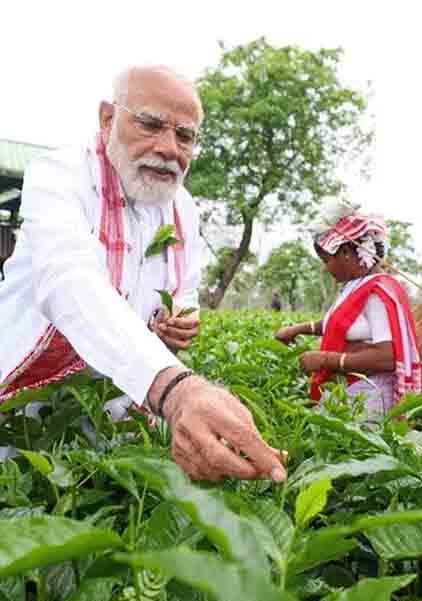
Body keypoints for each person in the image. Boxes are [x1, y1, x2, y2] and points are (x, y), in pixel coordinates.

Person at [0, 66, 285, 482]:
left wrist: (178, 322)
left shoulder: (181, 207)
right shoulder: (61, 175)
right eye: (150, 124)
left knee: (96, 495)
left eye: (184, 135)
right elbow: (68, 278)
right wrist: (175, 388)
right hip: (27, 398)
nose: (169, 148)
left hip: (117, 403)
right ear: (107, 119)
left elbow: (183, 289)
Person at [275, 201, 422, 419]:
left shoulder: (376, 292)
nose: (326, 268)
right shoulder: (356, 286)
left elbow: (387, 358)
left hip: (371, 398)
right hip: (351, 392)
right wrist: (297, 329)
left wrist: (326, 359)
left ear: (345, 252)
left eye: (326, 260)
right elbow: (340, 324)